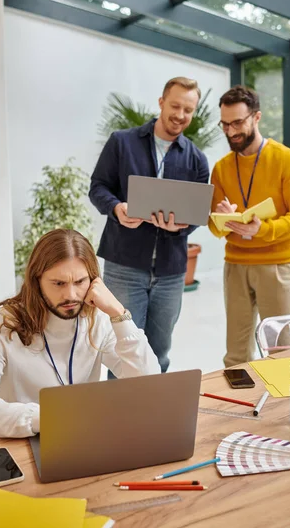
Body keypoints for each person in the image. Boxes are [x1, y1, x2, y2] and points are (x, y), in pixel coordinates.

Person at [0, 229, 160, 438]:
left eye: (80, 282)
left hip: (82, 437)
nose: (71, 295)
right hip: (21, 439)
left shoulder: (98, 319)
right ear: (36, 281)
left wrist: (118, 313)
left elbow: (149, 387)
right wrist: (49, 418)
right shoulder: (1, 324)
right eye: (59, 283)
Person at [89, 77, 209, 374]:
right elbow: (98, 187)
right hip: (124, 266)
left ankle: (154, 414)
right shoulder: (122, 142)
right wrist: (116, 208)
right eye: (176, 106)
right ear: (161, 102)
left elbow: (195, 215)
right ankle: (120, 419)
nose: (181, 115)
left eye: (188, 110)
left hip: (170, 272)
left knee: (160, 352)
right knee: (122, 352)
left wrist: (180, 228)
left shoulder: (197, 159)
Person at [208, 85, 290, 367]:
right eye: (225, 124)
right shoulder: (220, 168)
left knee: (285, 352)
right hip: (235, 267)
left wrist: (261, 230)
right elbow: (213, 226)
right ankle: (239, 409)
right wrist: (223, 220)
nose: (231, 132)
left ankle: (286, 410)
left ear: (256, 117)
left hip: (278, 266)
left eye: (238, 123)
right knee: (236, 354)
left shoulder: (286, 159)